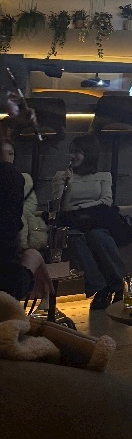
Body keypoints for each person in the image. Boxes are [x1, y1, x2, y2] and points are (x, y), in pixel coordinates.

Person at [51, 133, 126, 310]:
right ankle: (101, 287)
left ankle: (119, 284)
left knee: (97, 236)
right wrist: (66, 185)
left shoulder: (104, 176)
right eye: (71, 151)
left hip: (97, 222)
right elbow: (59, 208)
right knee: (74, 238)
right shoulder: (61, 176)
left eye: (77, 152)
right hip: (73, 224)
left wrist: (79, 208)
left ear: (89, 154)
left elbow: (106, 201)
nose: (72, 156)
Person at [0, 119, 52, 302]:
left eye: (10, 153)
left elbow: (26, 210)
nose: (6, 158)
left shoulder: (17, 178)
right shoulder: (10, 176)